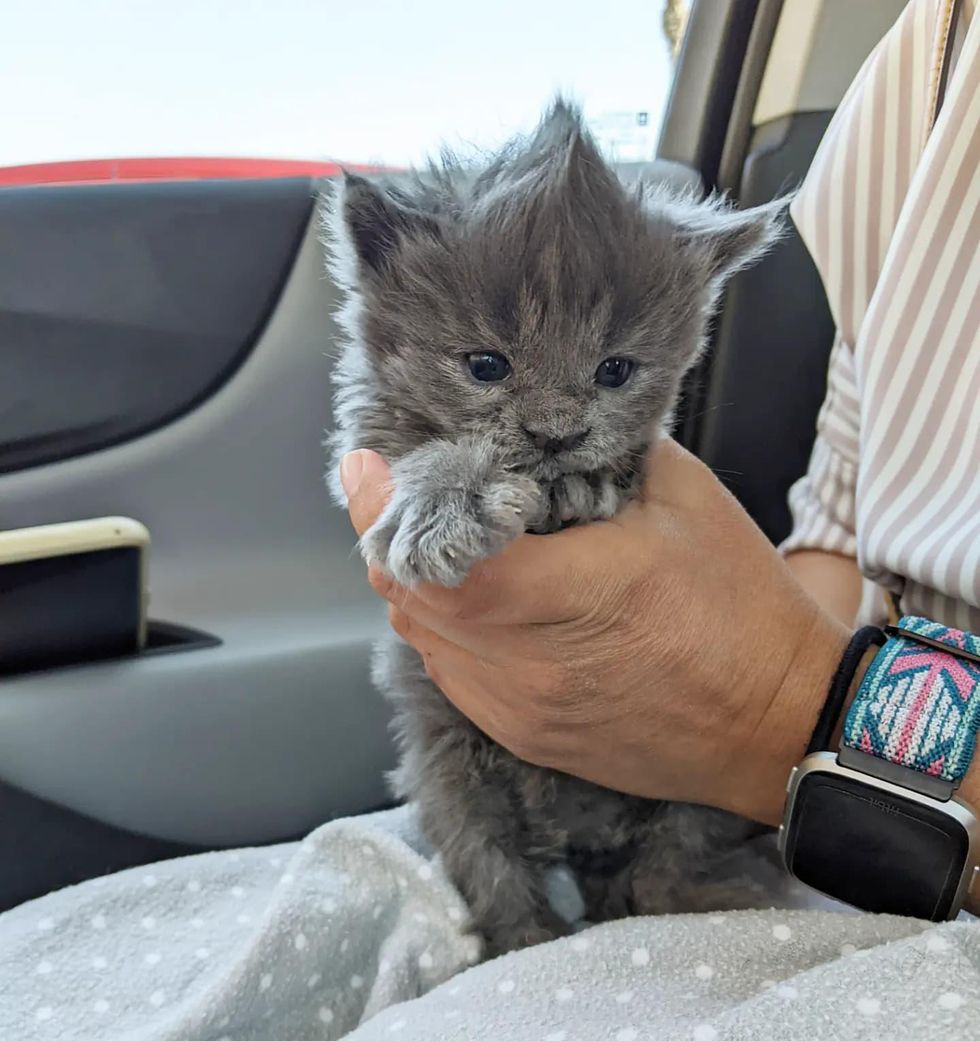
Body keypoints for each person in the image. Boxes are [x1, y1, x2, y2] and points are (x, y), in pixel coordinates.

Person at [0, 1, 976, 1039]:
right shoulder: (916, 74)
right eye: (486, 368)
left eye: (610, 376)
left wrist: (778, 706)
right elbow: (834, 538)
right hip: (811, 771)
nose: (556, 420)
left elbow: (777, 659)